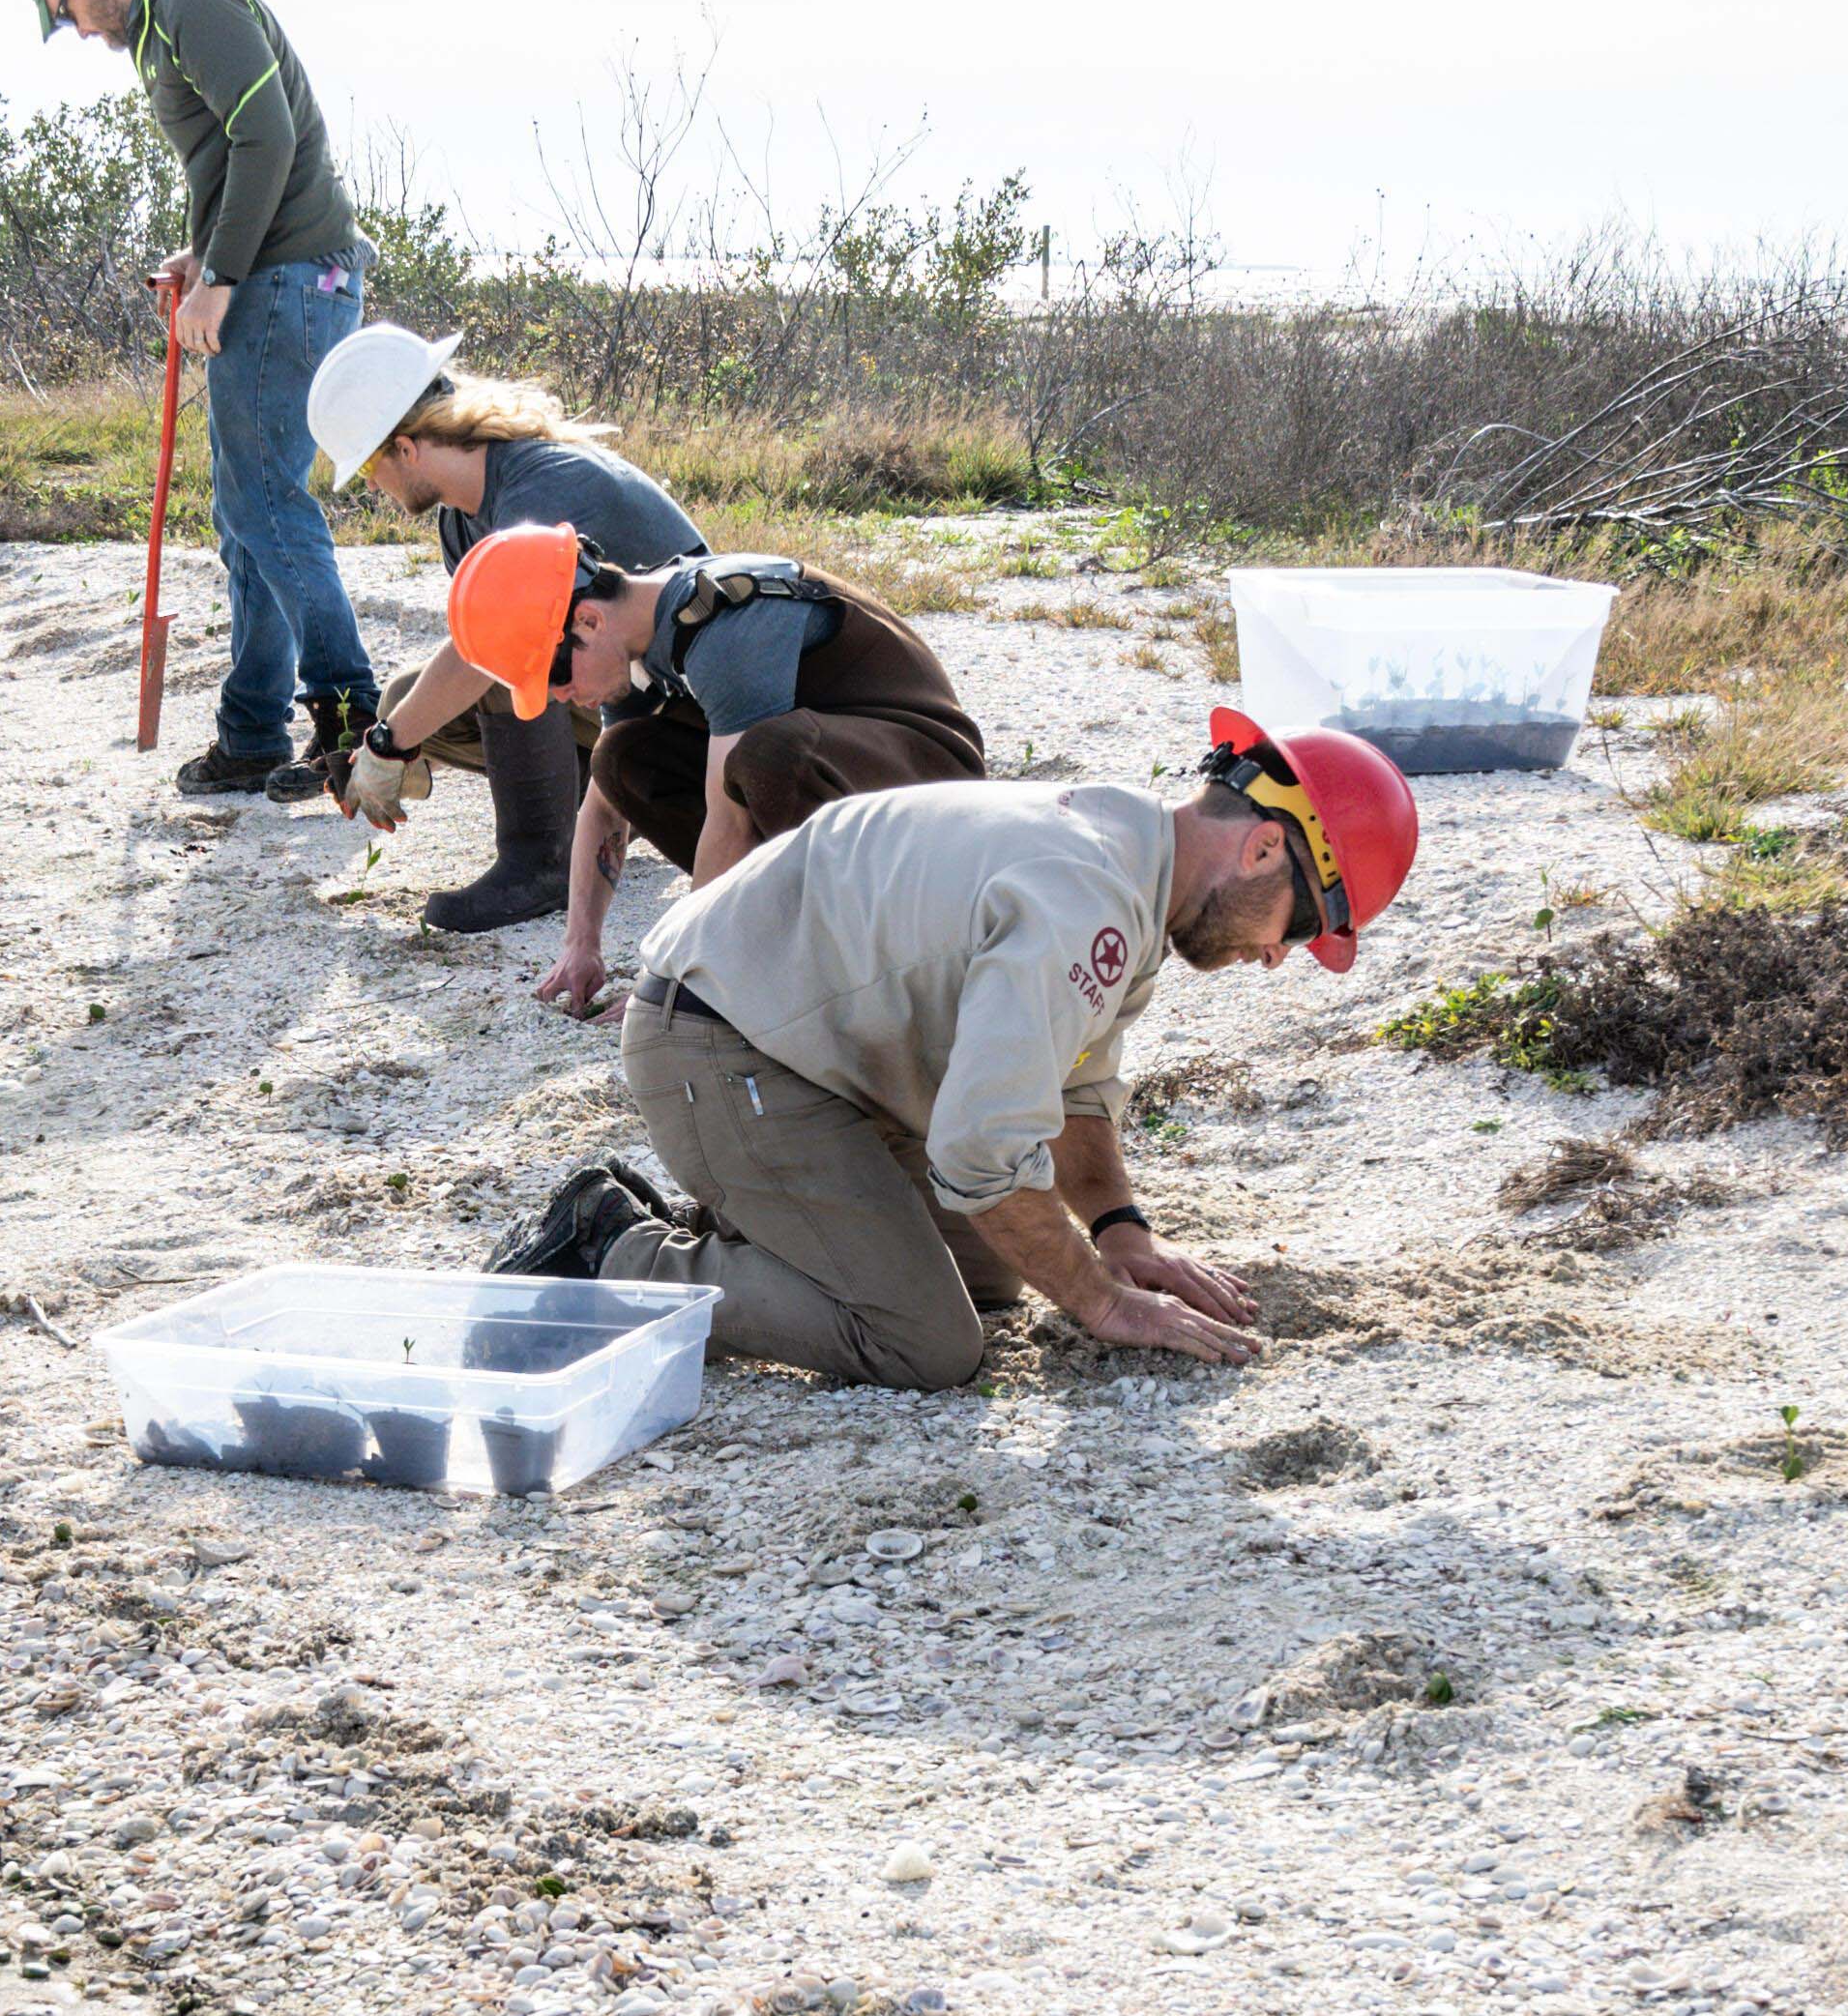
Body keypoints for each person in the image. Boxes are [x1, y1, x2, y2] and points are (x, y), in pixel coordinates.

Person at [484, 711, 1418, 1396]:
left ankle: (765, 1221)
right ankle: (617, 1249)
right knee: (926, 1343)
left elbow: (1080, 1093)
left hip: (802, 1059)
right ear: (1262, 851)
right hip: (717, 1044)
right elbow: (980, 1154)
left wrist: (1119, 1229)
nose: (1273, 955)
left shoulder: (1130, 865)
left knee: (992, 1272)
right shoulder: (1084, 897)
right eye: (1302, 929)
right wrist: (1102, 1303)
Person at [18, 0, 371, 805]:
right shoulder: (162, 32)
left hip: (290, 281)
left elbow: (270, 140)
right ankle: (251, 732)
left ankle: (348, 721)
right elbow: (225, 160)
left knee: (266, 503)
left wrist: (221, 275)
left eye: (64, 7)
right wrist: (204, 256)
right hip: (269, 276)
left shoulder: (194, 3)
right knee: (246, 516)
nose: (73, 26)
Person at [410, 515, 1003, 1016]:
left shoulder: (723, 622)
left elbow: (729, 815)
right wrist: (581, 945)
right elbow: (601, 810)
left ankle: (846, 953)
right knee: (621, 757)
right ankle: (778, 945)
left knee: (763, 758)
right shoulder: (636, 649)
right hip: (848, 777)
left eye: (555, 676)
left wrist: (673, 983)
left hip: (933, 786)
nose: (560, 698)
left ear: (588, 621)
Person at [297, 330, 702, 936]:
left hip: (697, 724)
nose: (373, 487)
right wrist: (397, 732)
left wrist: (388, 746)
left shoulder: (544, 484)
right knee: (409, 694)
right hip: (626, 703)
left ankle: (541, 862)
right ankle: (609, 805)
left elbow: (486, 651)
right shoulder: (464, 518)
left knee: (499, 653)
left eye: (371, 469)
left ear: (406, 448)